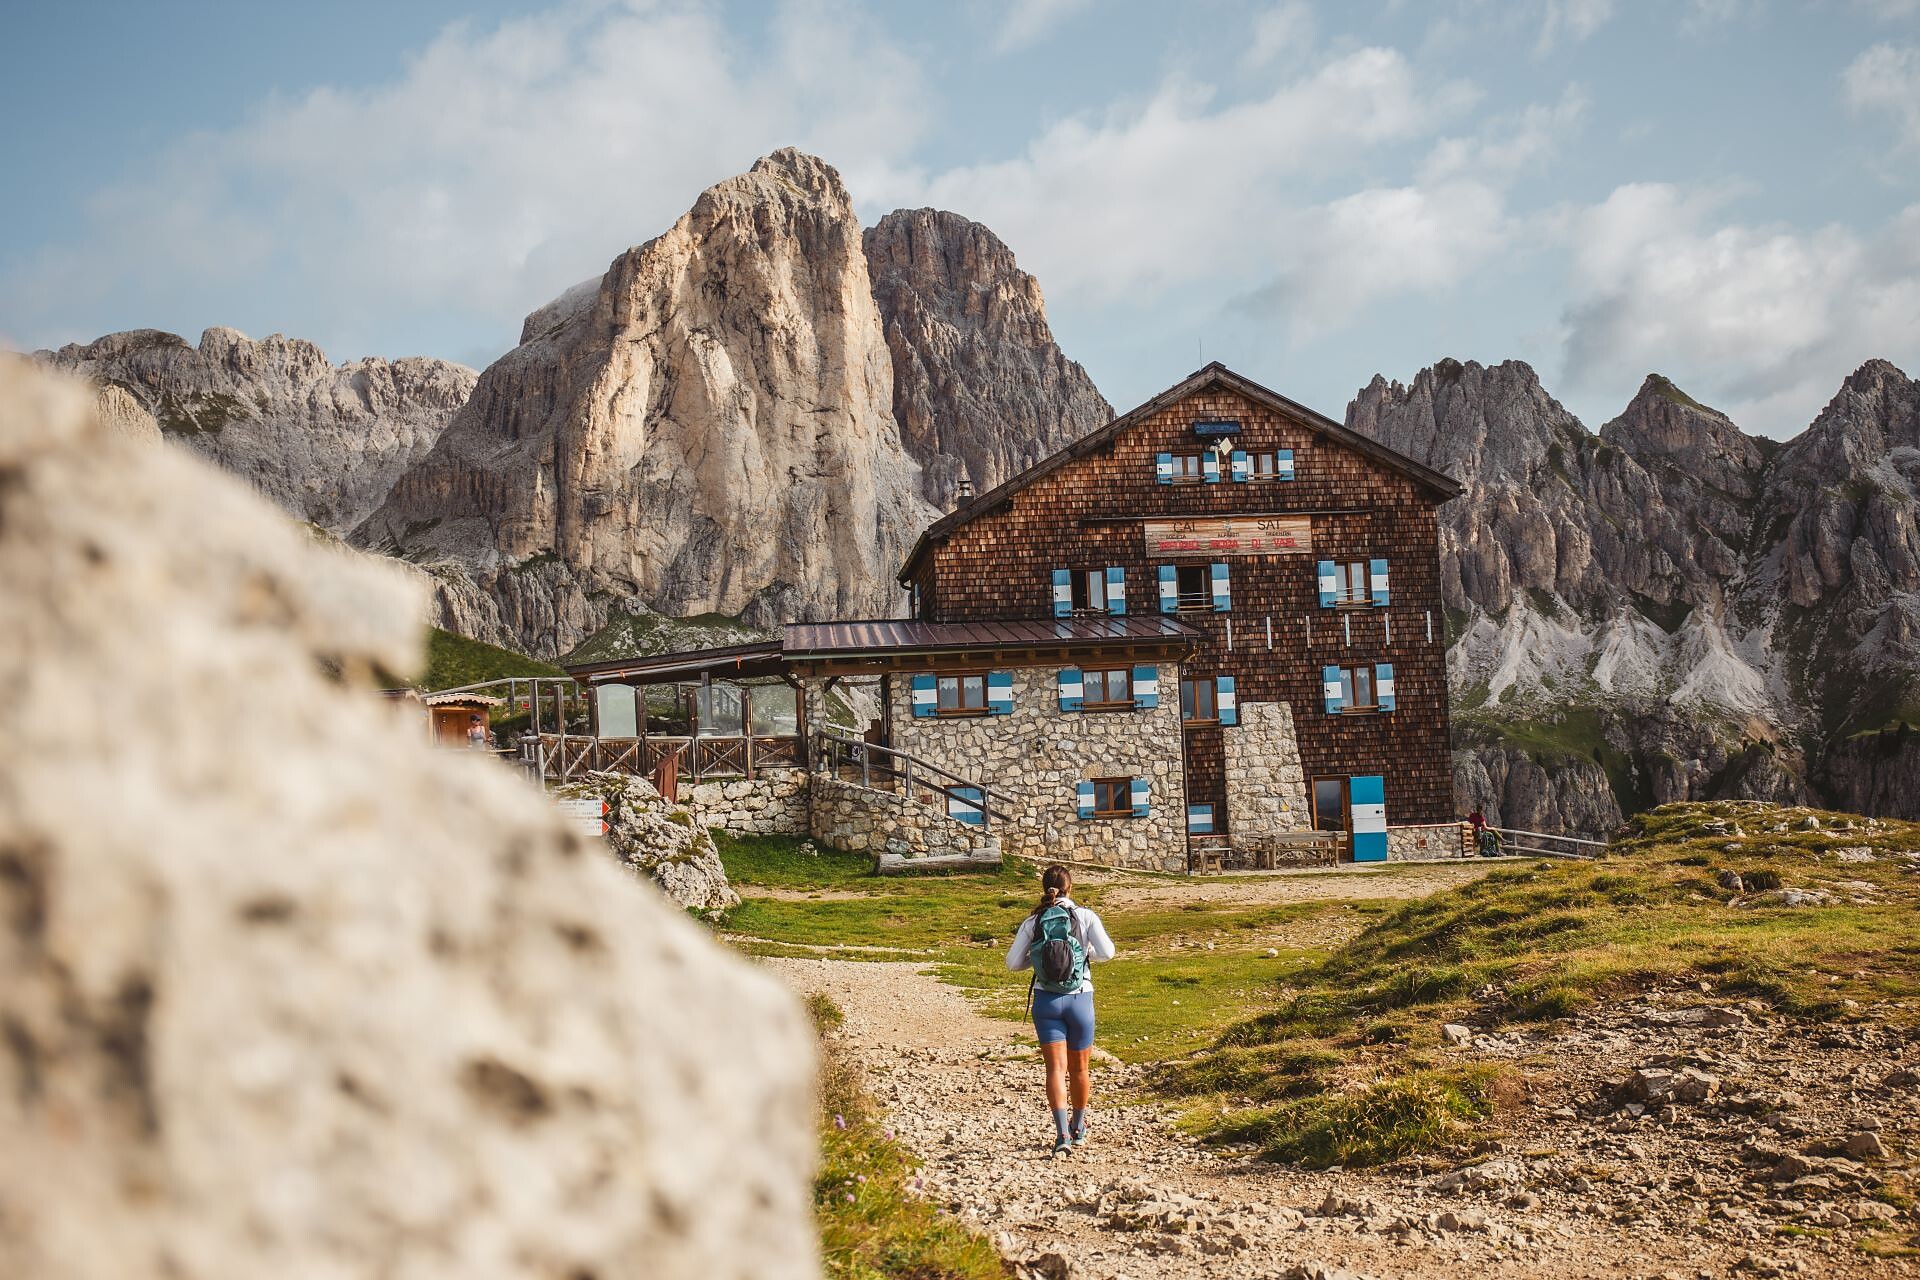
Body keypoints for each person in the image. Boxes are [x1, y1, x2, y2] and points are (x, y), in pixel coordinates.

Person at [1005, 864, 1116, 1158]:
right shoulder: (1085, 916)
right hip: (1081, 999)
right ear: (1071, 887)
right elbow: (1107, 953)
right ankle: (1079, 1127)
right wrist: (1084, 953)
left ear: (1045, 889)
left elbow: (1013, 963)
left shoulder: (1034, 920)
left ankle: (1061, 1134)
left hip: (1047, 1002)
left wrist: (1039, 957)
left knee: (1055, 1069)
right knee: (1080, 1068)